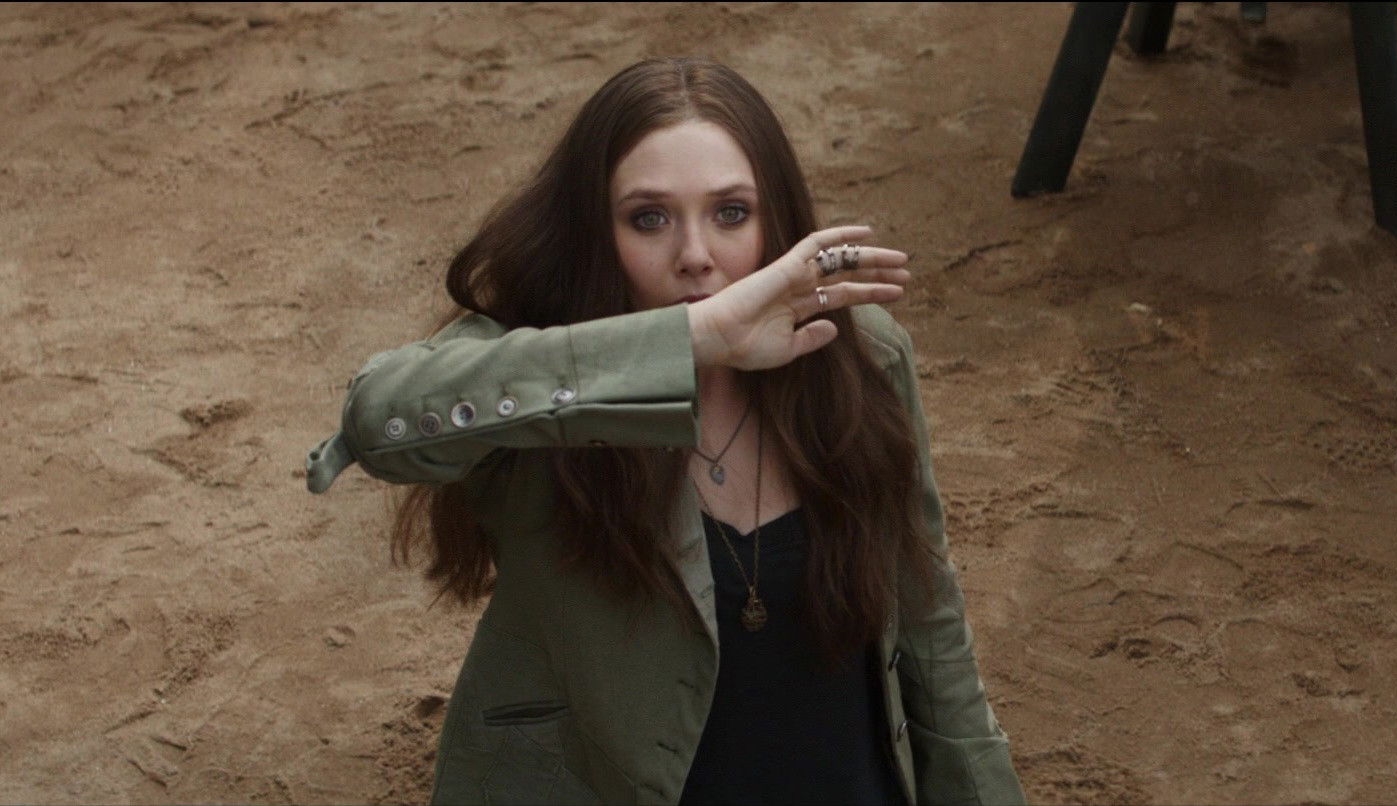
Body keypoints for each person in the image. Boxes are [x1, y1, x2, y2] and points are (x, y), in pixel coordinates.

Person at [305, 57, 1025, 806]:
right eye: (648, 218)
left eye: (731, 213)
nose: (695, 256)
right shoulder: (538, 369)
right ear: (594, 229)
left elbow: (931, 625)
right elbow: (377, 421)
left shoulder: (858, 357)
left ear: (775, 218)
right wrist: (690, 340)